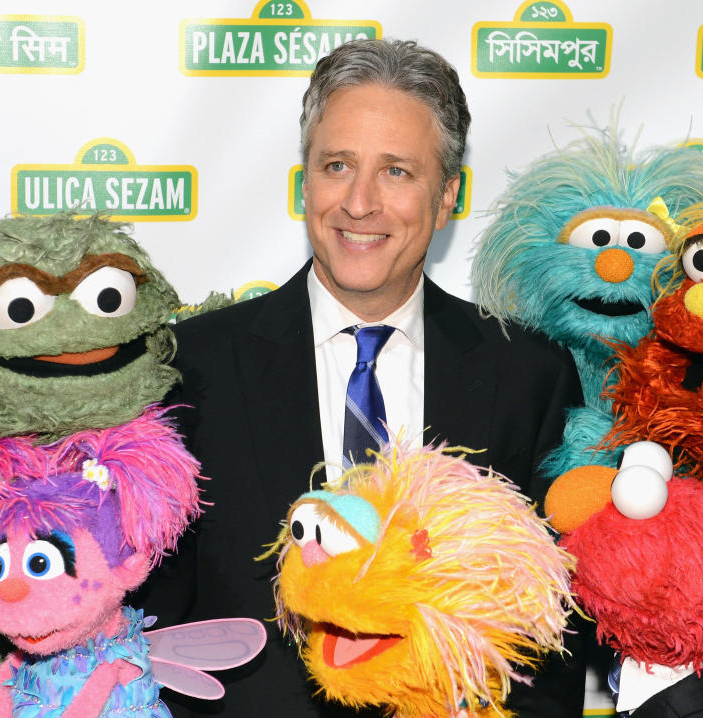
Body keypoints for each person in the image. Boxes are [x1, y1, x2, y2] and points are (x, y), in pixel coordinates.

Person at [136, 38, 585, 717]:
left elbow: (552, 634)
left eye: (398, 172)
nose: (359, 202)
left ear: (446, 198)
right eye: (337, 165)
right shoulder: (189, 369)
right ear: (305, 181)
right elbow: (148, 629)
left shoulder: (528, 374)